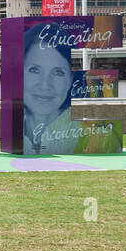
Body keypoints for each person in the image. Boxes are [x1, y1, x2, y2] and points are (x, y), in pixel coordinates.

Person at [22, 26, 76, 155]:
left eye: (58, 72)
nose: (45, 85)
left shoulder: (100, 139)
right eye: (34, 70)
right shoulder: (11, 131)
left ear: (70, 79)